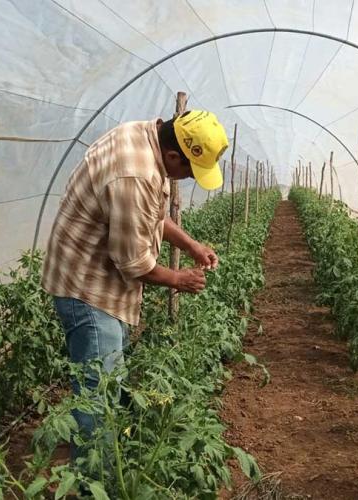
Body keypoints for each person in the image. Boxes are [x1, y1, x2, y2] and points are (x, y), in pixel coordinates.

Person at [41, 109, 229, 458]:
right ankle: (94, 481)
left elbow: (153, 215)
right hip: (88, 289)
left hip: (100, 282)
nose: (188, 178)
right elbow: (133, 263)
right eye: (190, 170)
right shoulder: (136, 173)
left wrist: (192, 246)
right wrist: (179, 280)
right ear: (173, 155)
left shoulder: (146, 137)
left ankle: (109, 460)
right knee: (97, 396)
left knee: (109, 380)